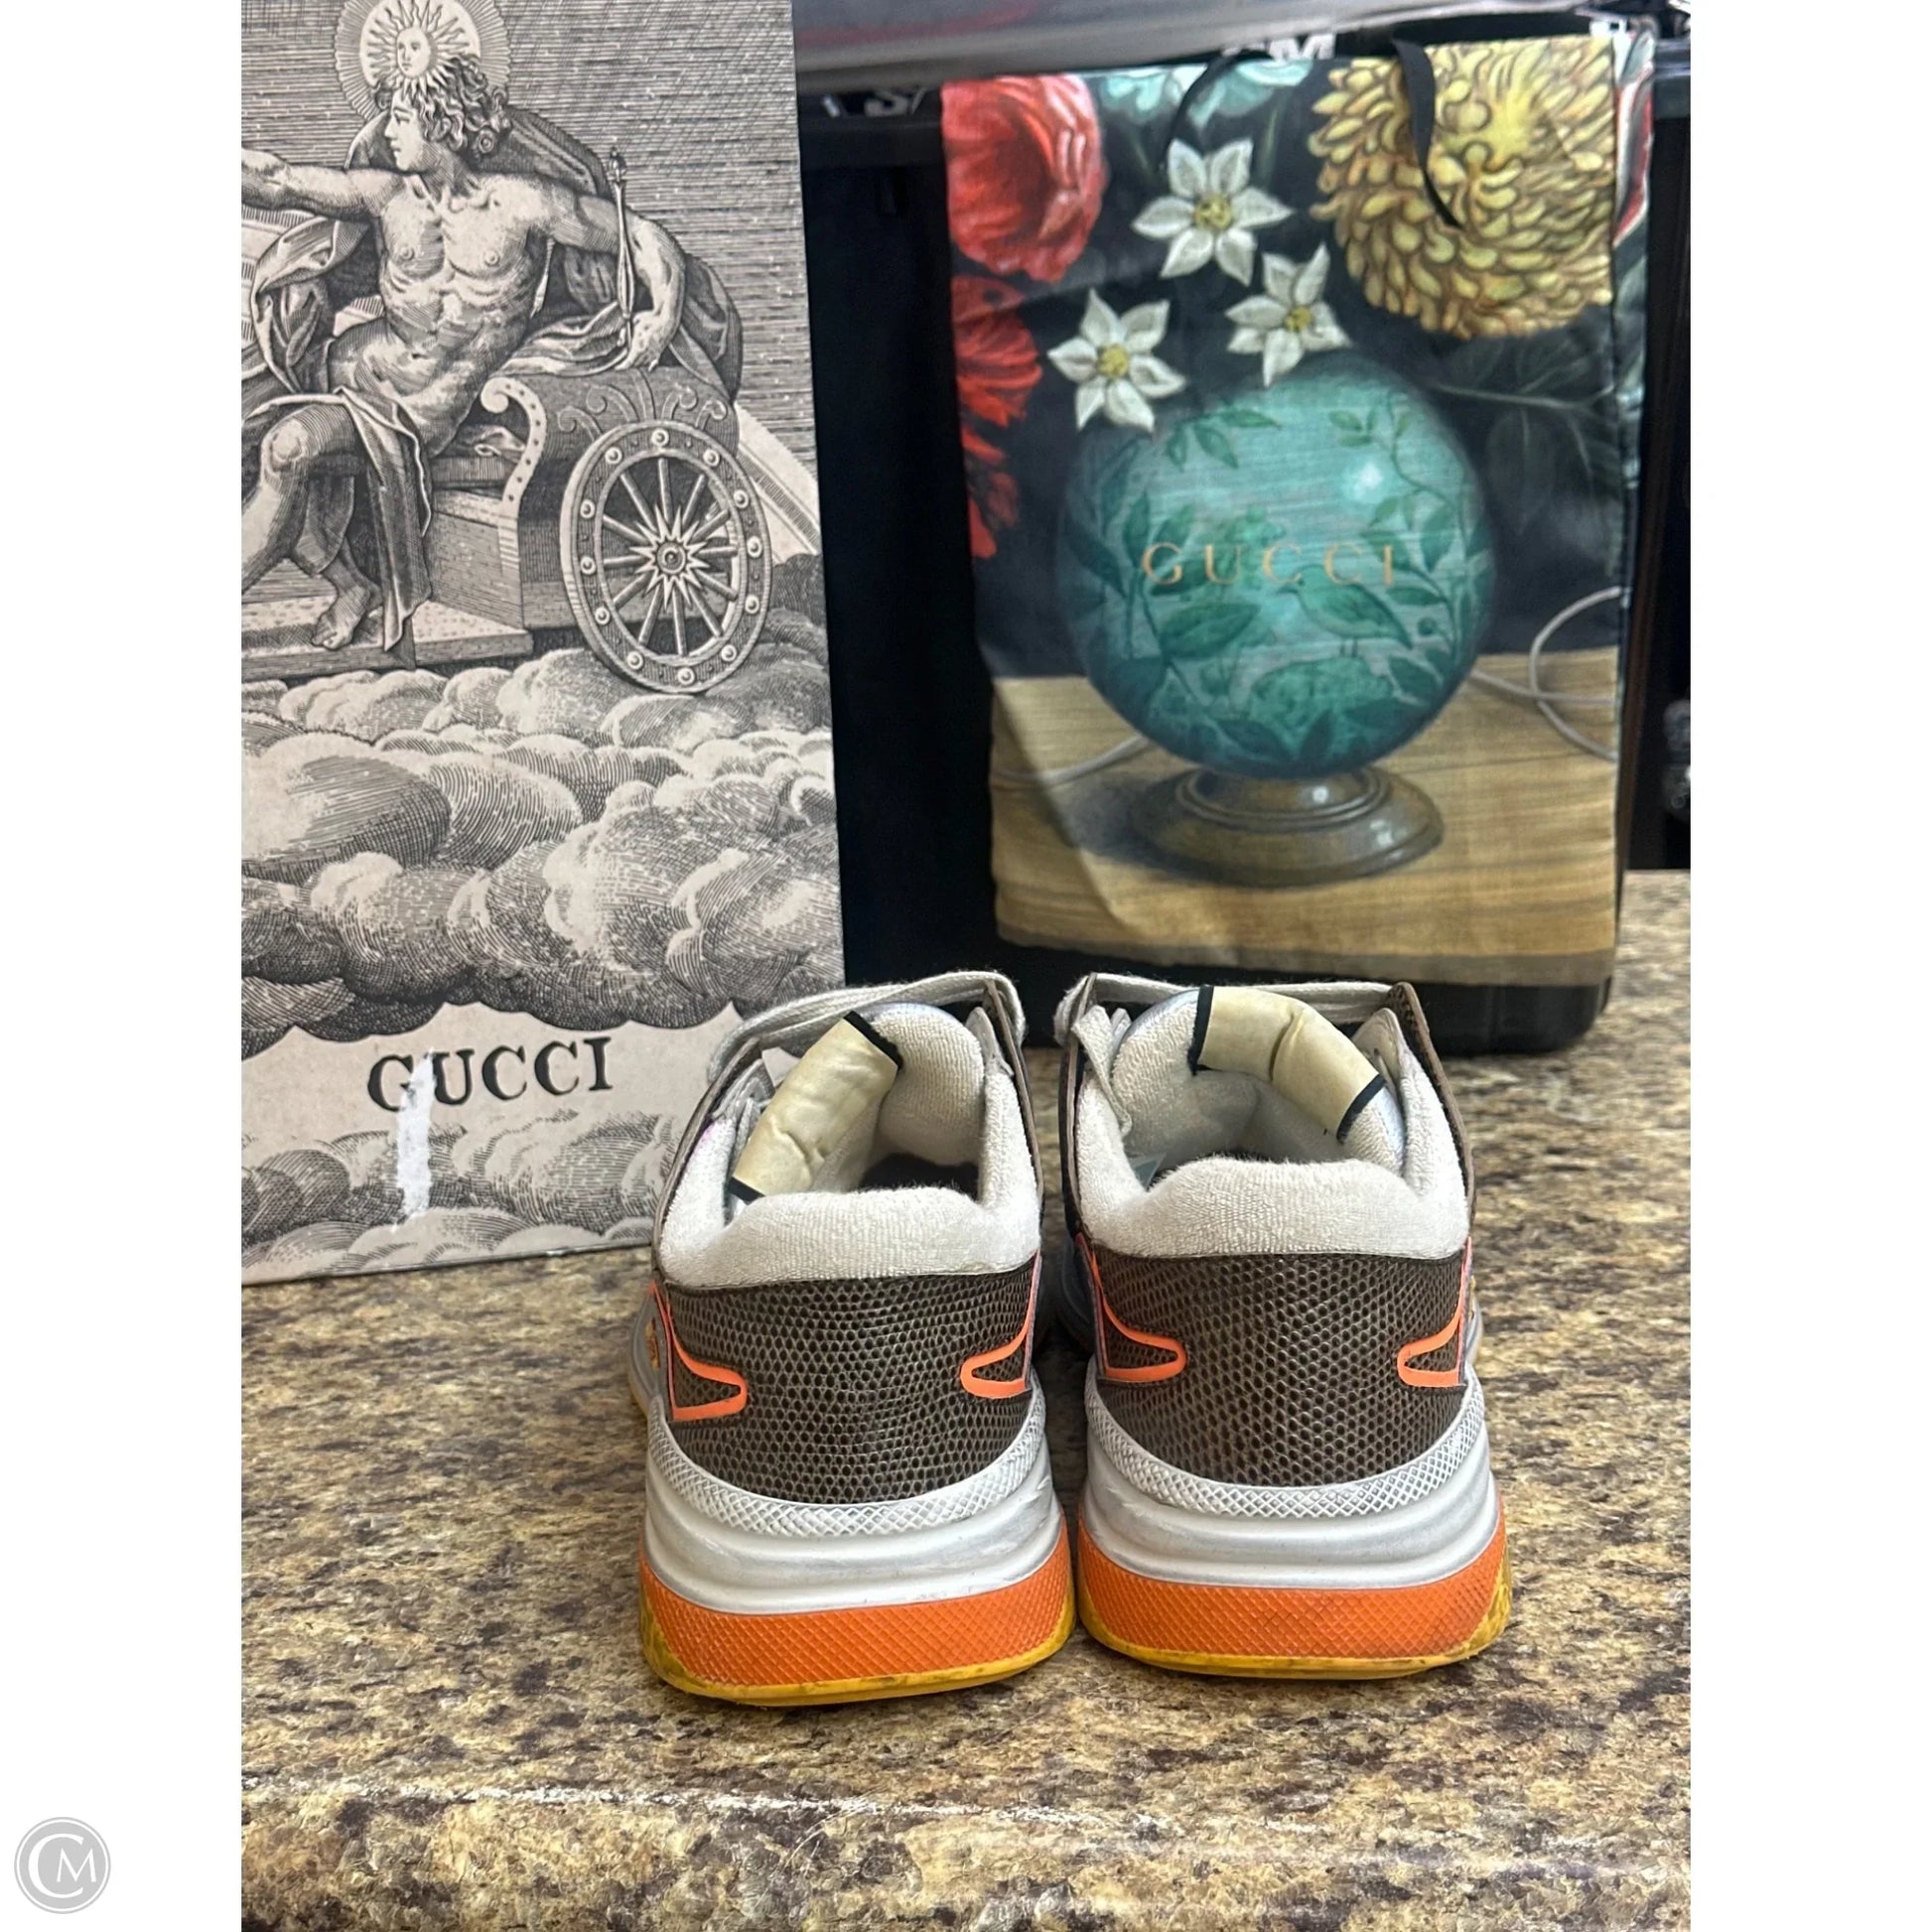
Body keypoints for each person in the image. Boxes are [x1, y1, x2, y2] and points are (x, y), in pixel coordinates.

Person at [242, 55, 690, 650]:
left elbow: (638, 234)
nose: (386, 131)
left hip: (412, 409)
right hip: (340, 371)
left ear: (441, 120)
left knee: (288, 446)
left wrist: (662, 314)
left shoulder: (519, 204)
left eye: (401, 117)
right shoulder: (386, 195)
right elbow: (277, 180)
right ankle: (351, 585)